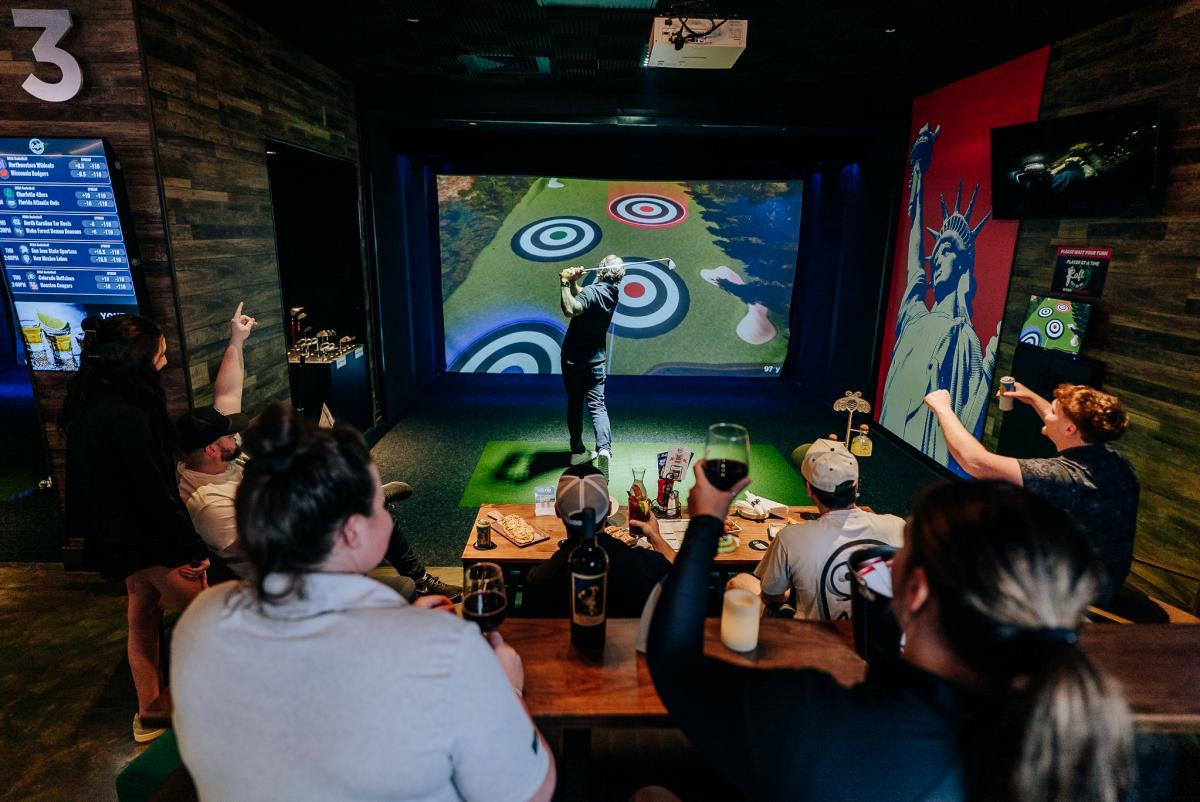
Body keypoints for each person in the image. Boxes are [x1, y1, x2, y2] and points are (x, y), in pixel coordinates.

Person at [648, 463, 1132, 802]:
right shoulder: (1080, 749)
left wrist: (707, 519)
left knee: (651, 793)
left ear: (916, 591)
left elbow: (673, 662)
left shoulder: (807, 717)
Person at [171, 404, 555, 802]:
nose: (388, 519)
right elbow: (531, 792)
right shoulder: (444, 651)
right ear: (352, 532)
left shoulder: (200, 621)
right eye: (378, 506)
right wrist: (507, 688)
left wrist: (402, 626)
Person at [174, 306, 460, 600]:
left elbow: (228, 393)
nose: (236, 436)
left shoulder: (210, 458)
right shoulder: (210, 505)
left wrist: (237, 340)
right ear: (211, 449)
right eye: (228, 435)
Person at [62, 313, 210, 743]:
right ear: (138, 359)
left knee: (143, 616)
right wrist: (191, 546)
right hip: (148, 539)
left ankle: (149, 714)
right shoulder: (128, 412)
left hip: (117, 537)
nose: (166, 359)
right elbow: (152, 490)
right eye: (160, 352)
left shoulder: (91, 400)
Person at [924, 382, 1138, 603]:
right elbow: (1066, 424)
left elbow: (975, 462)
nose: (1048, 413)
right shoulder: (1116, 461)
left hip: (1075, 592)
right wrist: (1032, 397)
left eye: (1053, 412)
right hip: (1104, 577)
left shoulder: (1064, 477)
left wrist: (942, 408)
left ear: (1070, 429)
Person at [879, 123, 999, 469]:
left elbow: (969, 414)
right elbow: (915, 258)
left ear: (963, 265)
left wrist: (992, 359)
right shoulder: (914, 314)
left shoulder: (963, 336)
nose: (936, 259)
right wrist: (917, 172)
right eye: (938, 250)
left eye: (946, 251)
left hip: (924, 446)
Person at [726, 439, 905, 619]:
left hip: (818, 640)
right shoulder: (898, 526)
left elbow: (771, 596)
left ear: (808, 489)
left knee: (740, 583)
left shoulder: (790, 537)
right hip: (882, 640)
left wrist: (790, 591)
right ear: (856, 485)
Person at [521, 464, 673, 618]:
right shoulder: (646, 566)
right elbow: (677, 571)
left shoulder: (538, 579)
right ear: (608, 509)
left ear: (557, 511)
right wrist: (655, 536)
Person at [558, 254, 623, 472]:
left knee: (575, 403)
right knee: (597, 405)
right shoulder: (612, 292)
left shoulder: (594, 291)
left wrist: (565, 282)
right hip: (596, 360)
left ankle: (577, 452)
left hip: (573, 360)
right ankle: (604, 449)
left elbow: (571, 309)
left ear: (601, 272)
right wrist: (576, 283)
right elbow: (585, 300)